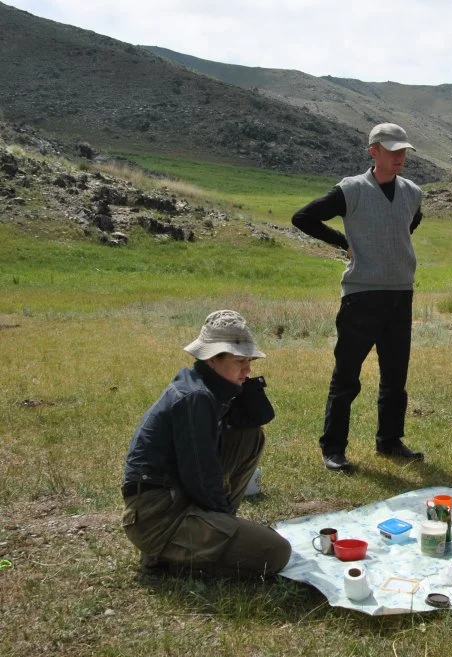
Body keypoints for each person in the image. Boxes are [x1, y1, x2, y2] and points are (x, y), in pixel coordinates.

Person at [292, 122, 424, 472]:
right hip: (362, 295)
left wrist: (391, 246)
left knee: (396, 376)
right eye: (392, 151)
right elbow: (303, 217)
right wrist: (345, 243)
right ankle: (333, 448)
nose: (399, 158)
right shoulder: (351, 190)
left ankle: (390, 441)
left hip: (400, 294)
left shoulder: (412, 192)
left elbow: (411, 223)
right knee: (347, 374)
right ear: (373, 151)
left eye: (403, 152)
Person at [121, 310, 291, 578]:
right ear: (211, 360)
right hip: (158, 517)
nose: (248, 369)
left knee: (249, 436)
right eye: (240, 361)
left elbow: (257, 418)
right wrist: (224, 521)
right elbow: (202, 475)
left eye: (249, 361)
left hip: (175, 499)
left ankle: (207, 535)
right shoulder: (196, 398)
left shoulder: (209, 390)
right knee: (276, 552)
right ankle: (169, 553)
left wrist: (241, 386)